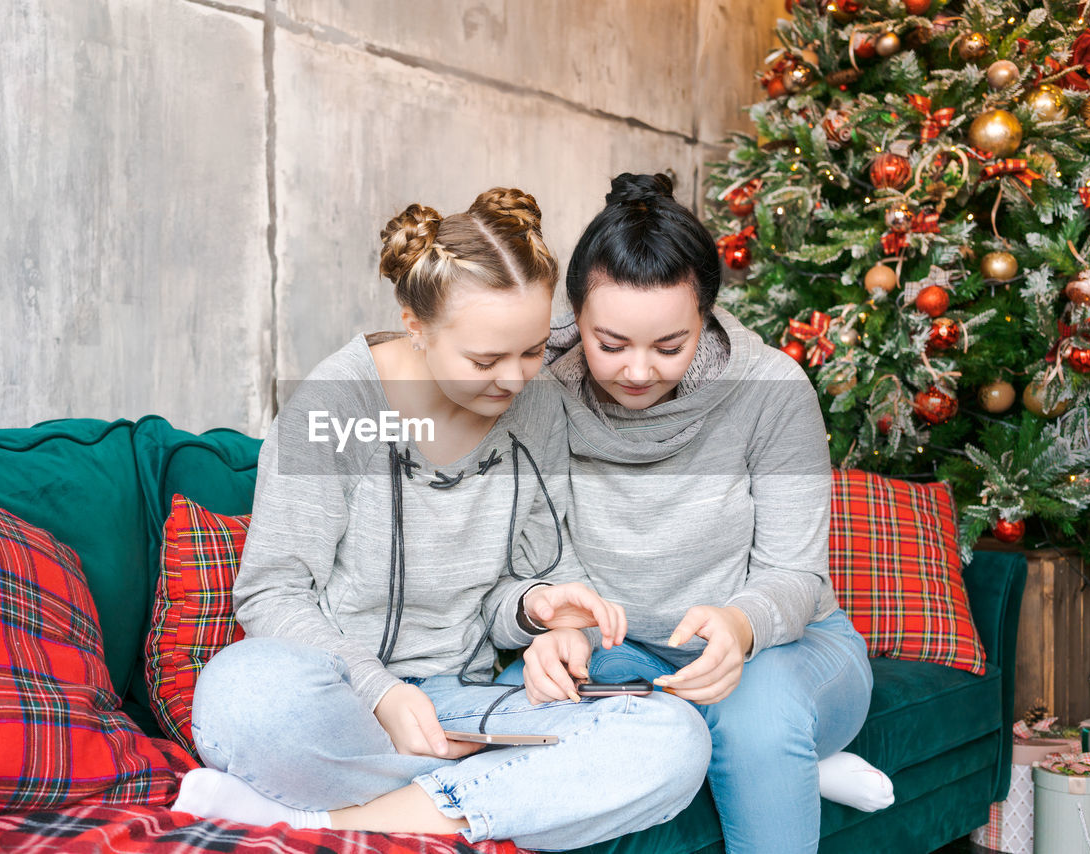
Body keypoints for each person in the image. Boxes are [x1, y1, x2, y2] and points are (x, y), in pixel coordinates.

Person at [173, 187, 712, 851]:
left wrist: (546, 609)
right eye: (485, 360)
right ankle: (506, 789)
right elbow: (273, 592)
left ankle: (335, 820)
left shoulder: (536, 409)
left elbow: (522, 580)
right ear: (416, 326)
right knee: (245, 693)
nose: (513, 381)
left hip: (465, 702)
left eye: (534, 350)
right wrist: (380, 695)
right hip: (347, 704)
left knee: (674, 740)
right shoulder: (336, 405)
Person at [508, 173, 892, 853]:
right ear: (576, 315)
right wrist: (562, 625)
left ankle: (775, 752)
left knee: (755, 717)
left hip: (783, 646)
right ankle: (788, 768)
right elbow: (544, 552)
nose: (636, 372)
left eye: (669, 346)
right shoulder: (538, 389)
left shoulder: (770, 389)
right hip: (617, 652)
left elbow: (794, 574)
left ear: (707, 316)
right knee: (528, 703)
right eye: (611, 343)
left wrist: (740, 625)